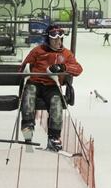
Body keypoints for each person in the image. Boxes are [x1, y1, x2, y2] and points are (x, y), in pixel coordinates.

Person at [19, 24, 83, 152]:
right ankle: (28, 129)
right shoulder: (38, 51)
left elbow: (78, 69)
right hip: (35, 82)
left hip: (52, 85)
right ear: (48, 39)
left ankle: (54, 137)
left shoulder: (66, 54)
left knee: (56, 102)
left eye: (59, 39)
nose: (57, 42)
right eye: (54, 39)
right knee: (29, 95)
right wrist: (27, 69)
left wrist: (63, 68)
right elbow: (23, 67)